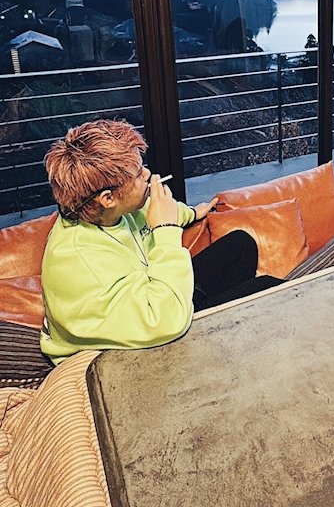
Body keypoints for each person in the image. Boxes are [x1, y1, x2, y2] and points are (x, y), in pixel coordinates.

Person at [40, 119, 283, 365]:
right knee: (268, 289)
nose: (147, 174)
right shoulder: (80, 260)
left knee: (240, 244)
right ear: (108, 198)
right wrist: (166, 230)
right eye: (138, 174)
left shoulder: (107, 211)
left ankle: (220, 324)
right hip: (134, 340)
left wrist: (192, 213)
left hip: (151, 300)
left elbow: (152, 209)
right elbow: (164, 323)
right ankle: (221, 338)